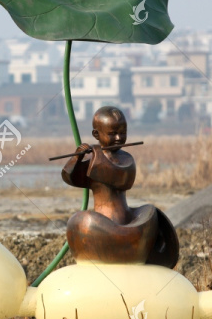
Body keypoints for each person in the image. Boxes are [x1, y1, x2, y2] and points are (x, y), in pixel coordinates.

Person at [61, 106, 178, 267]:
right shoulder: (94, 161)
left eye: (123, 132)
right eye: (112, 133)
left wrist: (97, 156)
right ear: (97, 135)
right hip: (100, 224)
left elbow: (121, 179)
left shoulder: (126, 160)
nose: (118, 137)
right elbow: (69, 177)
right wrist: (77, 158)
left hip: (125, 221)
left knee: (151, 213)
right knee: (81, 221)